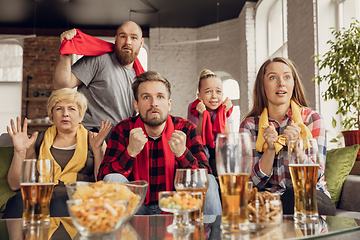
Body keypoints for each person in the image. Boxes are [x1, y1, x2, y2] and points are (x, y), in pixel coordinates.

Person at [98, 71, 222, 215]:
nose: (154, 103)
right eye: (146, 97)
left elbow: (206, 176)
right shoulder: (123, 129)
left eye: (160, 97)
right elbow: (103, 178)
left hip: (177, 206)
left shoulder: (186, 128)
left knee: (208, 180)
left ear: (169, 104)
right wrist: (130, 152)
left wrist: (183, 154)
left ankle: (213, 234)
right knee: (112, 179)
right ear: (136, 105)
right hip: (135, 208)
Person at [239, 57, 336, 216]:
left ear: (293, 84)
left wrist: (297, 148)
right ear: (262, 87)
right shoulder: (249, 125)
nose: (281, 83)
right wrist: (270, 149)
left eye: (286, 77)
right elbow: (252, 182)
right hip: (268, 201)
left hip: (310, 196)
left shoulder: (312, 119)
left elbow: (316, 175)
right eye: (272, 77)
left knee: (298, 195)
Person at [2, 88, 112, 218]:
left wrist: (97, 150)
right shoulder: (38, 140)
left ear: (81, 116)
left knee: (59, 204)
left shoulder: (95, 139)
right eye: (59, 108)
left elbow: (103, 184)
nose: (65, 113)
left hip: (80, 201)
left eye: (72, 109)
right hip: (42, 200)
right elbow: (15, 184)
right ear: (51, 116)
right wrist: (19, 152)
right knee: (17, 201)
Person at [53, 21, 144, 132]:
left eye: (133, 38)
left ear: (141, 43)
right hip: (93, 133)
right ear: (116, 39)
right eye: (123, 36)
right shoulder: (100, 59)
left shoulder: (140, 76)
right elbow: (62, 84)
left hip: (122, 136)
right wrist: (65, 51)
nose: (127, 42)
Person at [187, 69, 233, 176]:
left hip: (219, 144)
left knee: (230, 150)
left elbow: (226, 136)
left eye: (218, 91)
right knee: (202, 152)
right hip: (202, 144)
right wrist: (202, 115)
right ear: (199, 96)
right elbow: (196, 137)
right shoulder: (193, 107)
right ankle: (206, 176)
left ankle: (228, 178)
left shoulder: (225, 107)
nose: (214, 96)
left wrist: (225, 113)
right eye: (208, 91)